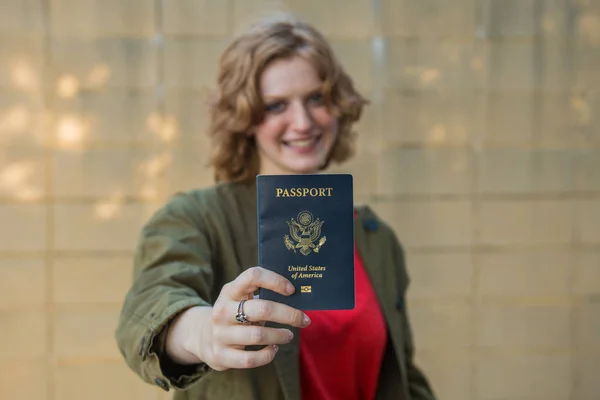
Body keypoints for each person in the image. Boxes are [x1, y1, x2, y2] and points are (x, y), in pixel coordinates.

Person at [115, 14, 437, 400]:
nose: (301, 122)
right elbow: (150, 304)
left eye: (316, 98)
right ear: (246, 118)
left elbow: (401, 372)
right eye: (276, 106)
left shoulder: (375, 237)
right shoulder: (196, 217)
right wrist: (202, 331)